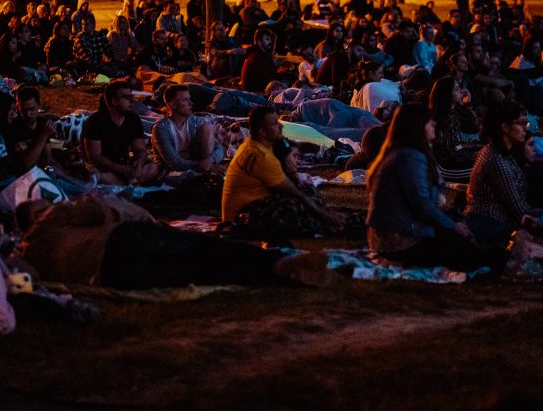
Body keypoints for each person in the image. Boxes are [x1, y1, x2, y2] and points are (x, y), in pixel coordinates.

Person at [19, 194, 332, 289]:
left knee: (196, 273)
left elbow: (26, 282)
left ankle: (277, 274)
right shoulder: (49, 218)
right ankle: (277, 263)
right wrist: (145, 220)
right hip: (121, 240)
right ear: (34, 214)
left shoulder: (27, 254)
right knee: (203, 249)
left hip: (112, 276)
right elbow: (99, 205)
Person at [366, 103, 494, 271]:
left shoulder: (402, 153)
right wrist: (452, 226)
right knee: (468, 252)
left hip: (394, 234)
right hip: (401, 239)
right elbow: (422, 204)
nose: (434, 124)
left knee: (467, 243)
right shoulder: (410, 157)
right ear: (418, 126)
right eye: (429, 121)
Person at [221, 105, 345, 236]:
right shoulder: (261, 156)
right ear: (263, 131)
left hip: (254, 206)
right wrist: (325, 216)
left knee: (307, 191)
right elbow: (295, 193)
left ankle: (326, 221)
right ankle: (330, 224)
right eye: (275, 123)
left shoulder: (256, 145)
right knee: (295, 205)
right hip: (243, 216)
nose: (281, 126)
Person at [463, 101, 533, 245]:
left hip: (489, 222)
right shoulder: (496, 160)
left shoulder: (498, 151)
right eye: (521, 123)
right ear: (505, 127)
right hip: (487, 225)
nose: (526, 127)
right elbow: (517, 207)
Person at [82, 81, 158, 185]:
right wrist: (120, 169)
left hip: (124, 164)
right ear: (114, 101)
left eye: (131, 96)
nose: (132, 100)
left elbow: (140, 149)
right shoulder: (95, 121)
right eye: (126, 97)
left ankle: (125, 184)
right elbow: (95, 157)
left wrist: (139, 162)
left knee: (153, 168)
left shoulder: (133, 119)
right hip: (104, 168)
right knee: (102, 177)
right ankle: (128, 184)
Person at [151, 84, 223, 182]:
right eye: (185, 100)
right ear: (172, 105)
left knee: (207, 127)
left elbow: (219, 149)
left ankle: (206, 172)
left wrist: (210, 160)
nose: (191, 103)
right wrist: (200, 164)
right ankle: (206, 173)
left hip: (198, 168)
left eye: (189, 99)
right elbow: (174, 163)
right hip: (170, 173)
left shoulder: (196, 121)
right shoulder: (161, 128)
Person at [241, 28, 279, 93]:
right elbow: (267, 76)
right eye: (267, 39)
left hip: (257, 87)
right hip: (255, 92)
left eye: (270, 39)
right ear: (259, 42)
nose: (270, 42)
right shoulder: (257, 56)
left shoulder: (259, 53)